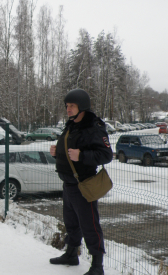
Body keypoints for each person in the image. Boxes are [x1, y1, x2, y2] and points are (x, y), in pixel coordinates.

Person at [49, 88, 113, 275]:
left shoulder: (93, 127)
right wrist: (56, 153)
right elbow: (70, 151)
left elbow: (106, 155)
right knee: (71, 222)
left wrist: (82, 155)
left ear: (82, 107)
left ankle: (97, 266)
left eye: (72, 106)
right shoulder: (71, 125)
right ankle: (71, 254)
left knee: (90, 225)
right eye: (67, 106)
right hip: (68, 183)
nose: (68, 109)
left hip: (83, 184)